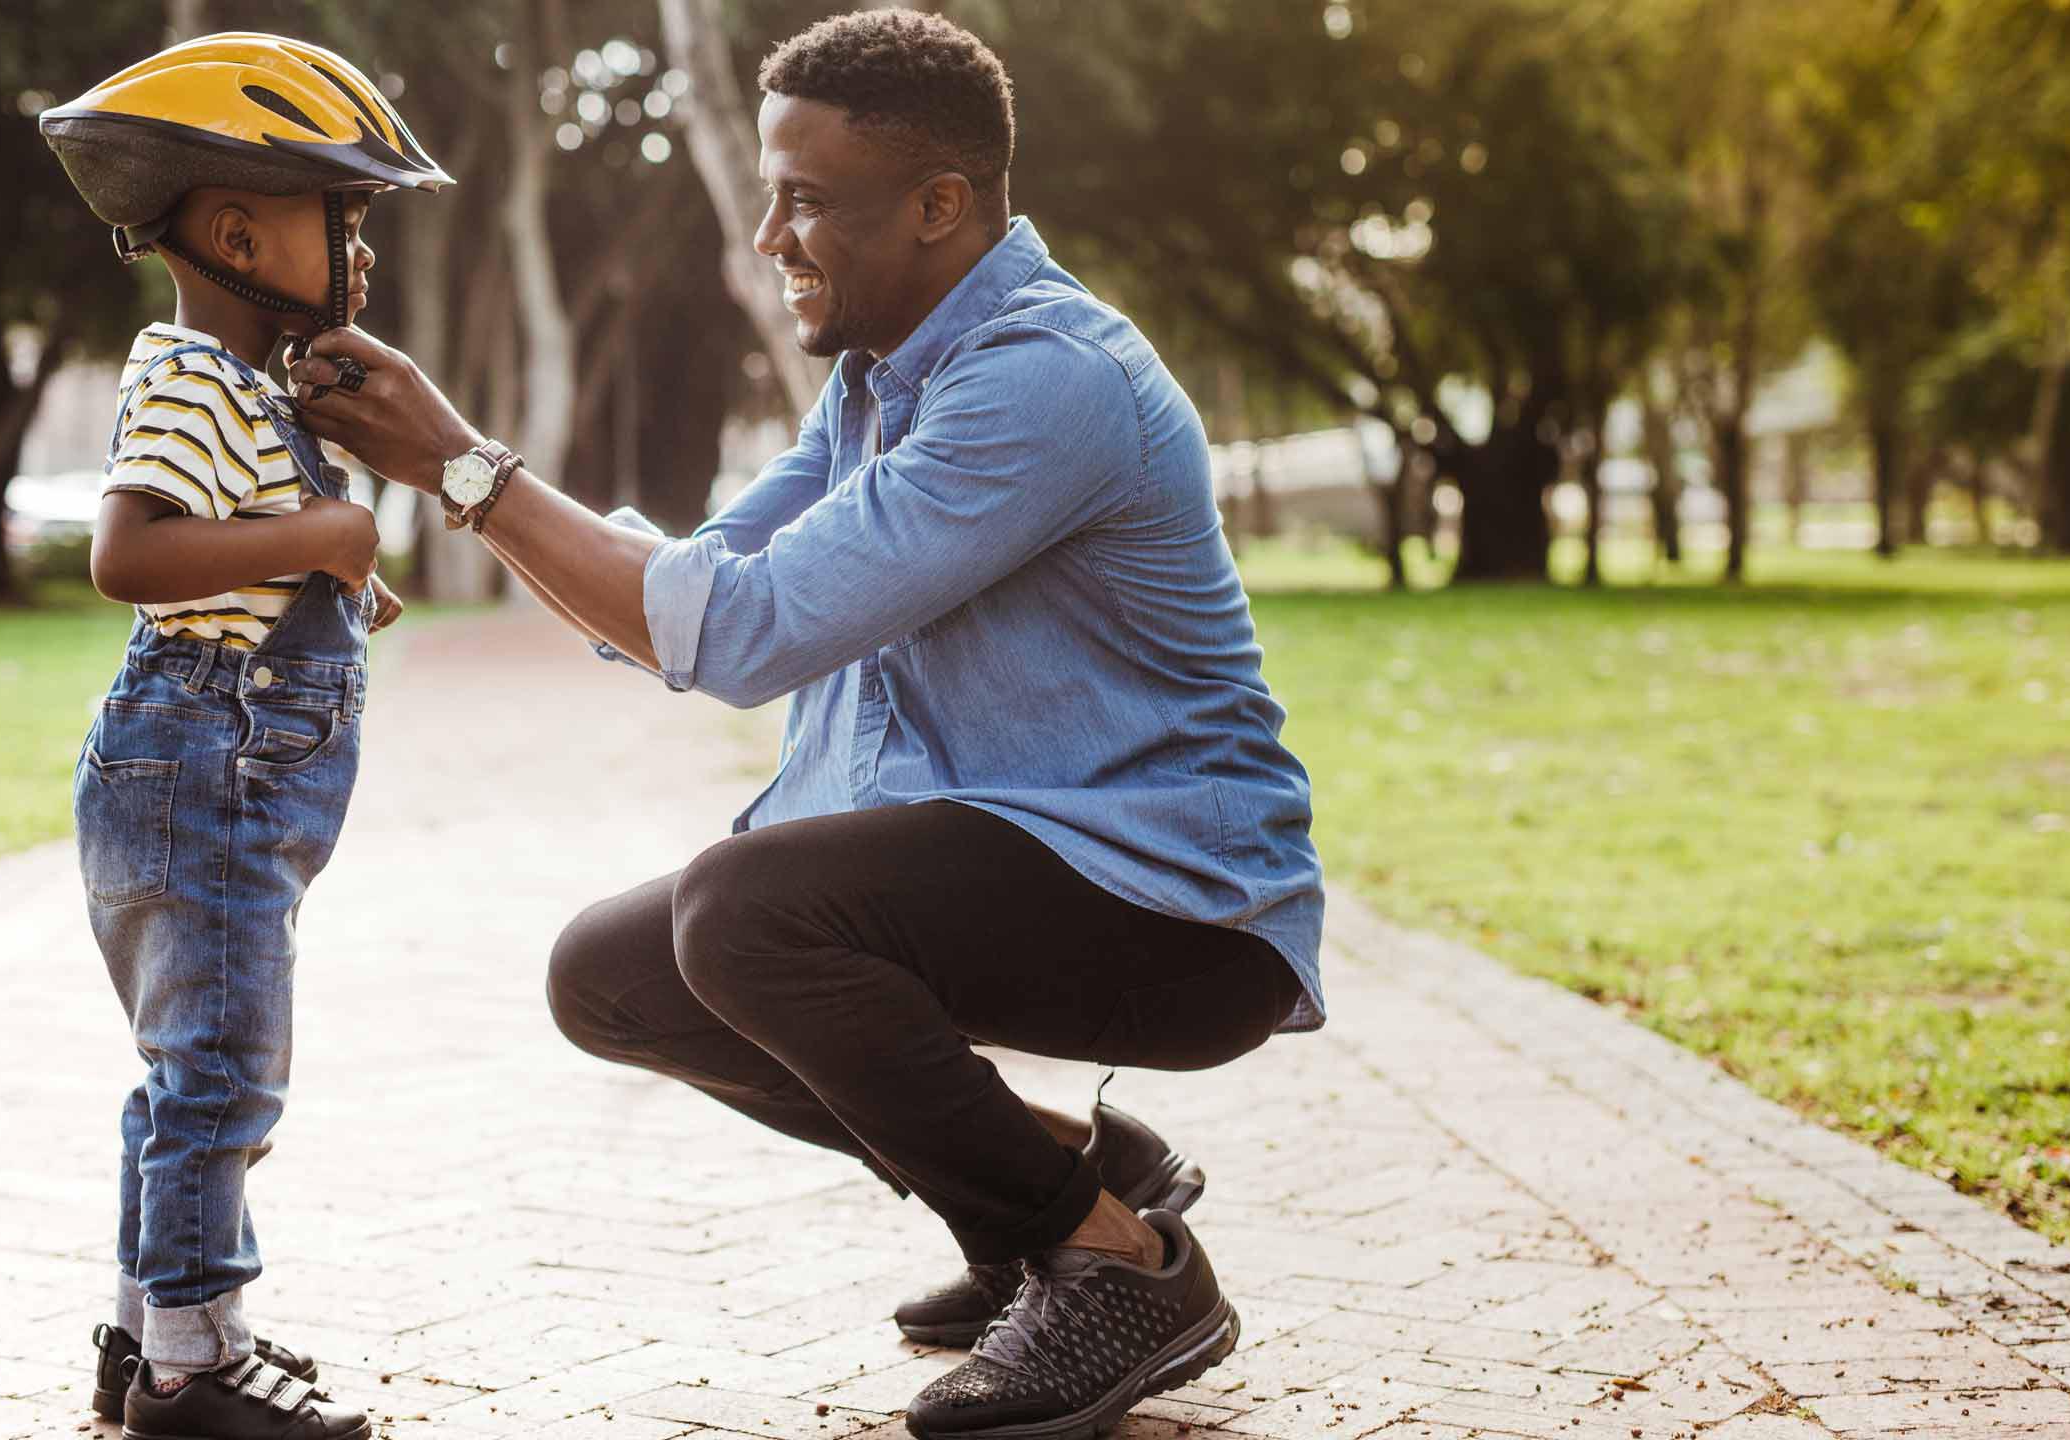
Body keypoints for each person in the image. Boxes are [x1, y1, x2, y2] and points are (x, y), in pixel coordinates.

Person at [292, 12, 1327, 1440]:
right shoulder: (876, 385)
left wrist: (465, 468)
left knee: (743, 915)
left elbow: (747, 637)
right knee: (610, 975)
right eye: (773, 195)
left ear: (939, 205)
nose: (771, 236)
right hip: (1031, 867)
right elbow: (690, 590)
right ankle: (1077, 1180)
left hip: (1176, 910)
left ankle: (1116, 1267)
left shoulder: (1044, 380)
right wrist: (451, 475)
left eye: (807, 201)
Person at [38, 32, 448, 1440]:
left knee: (188, 1074)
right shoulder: (191, 376)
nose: (366, 253)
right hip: (202, 758)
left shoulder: (251, 387)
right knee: (221, 1076)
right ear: (233, 229)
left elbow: (239, 550)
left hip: (222, 764)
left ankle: (144, 1338)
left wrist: (334, 570)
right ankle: (196, 1372)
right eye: (348, 219)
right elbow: (132, 557)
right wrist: (331, 529)